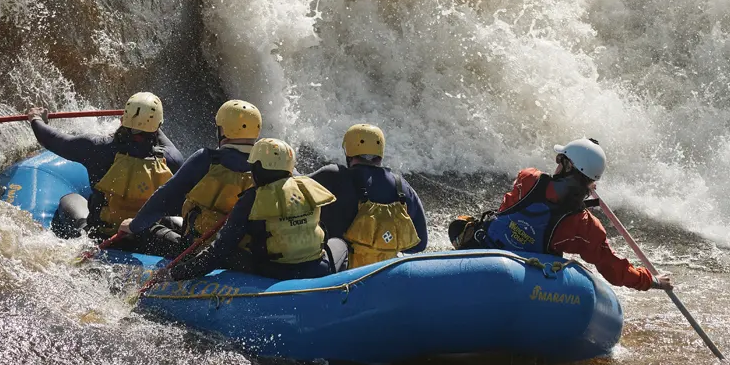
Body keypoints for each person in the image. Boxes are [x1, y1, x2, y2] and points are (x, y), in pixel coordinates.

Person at [448, 138, 673, 291]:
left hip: (486, 254)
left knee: (460, 225)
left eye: (560, 160)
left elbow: (506, 208)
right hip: (524, 279)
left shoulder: (528, 178)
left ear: (567, 166)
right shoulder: (585, 227)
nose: (556, 164)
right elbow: (614, 269)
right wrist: (652, 281)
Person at [158, 138, 348, 282]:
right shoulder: (307, 187)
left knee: (230, 252)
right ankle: (335, 289)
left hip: (274, 273)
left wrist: (175, 274)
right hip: (317, 268)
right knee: (339, 243)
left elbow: (219, 252)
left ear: (257, 168)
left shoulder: (251, 199)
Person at [27, 92, 185, 241]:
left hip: (103, 235)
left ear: (123, 119)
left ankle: (84, 230)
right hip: (147, 236)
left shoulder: (97, 148)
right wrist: (148, 121)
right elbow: (158, 136)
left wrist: (36, 119)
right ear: (157, 125)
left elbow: (52, 139)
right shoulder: (171, 159)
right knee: (175, 219)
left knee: (69, 199)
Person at [117, 100, 261, 257]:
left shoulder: (207, 159)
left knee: (147, 228)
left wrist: (134, 225)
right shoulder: (275, 167)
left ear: (223, 131)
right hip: (247, 255)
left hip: (202, 252)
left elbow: (166, 196)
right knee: (167, 221)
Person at [309, 124, 428, 269]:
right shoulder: (402, 187)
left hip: (341, 275)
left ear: (348, 150)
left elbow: (293, 187)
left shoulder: (333, 175)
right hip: (381, 273)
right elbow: (420, 244)